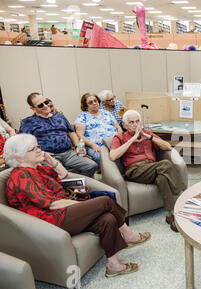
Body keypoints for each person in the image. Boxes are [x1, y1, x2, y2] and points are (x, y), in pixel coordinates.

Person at [4, 134, 151, 277]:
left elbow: (63, 175)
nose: (39, 150)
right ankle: (129, 234)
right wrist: (84, 205)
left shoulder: (38, 169)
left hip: (61, 213)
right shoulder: (21, 175)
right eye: (33, 149)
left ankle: (113, 265)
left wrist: (50, 160)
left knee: (107, 219)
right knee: (105, 201)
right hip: (49, 222)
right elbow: (52, 204)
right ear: (19, 157)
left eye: (38, 146)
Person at [110, 110, 186, 232]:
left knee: (161, 178)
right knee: (165, 164)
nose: (135, 124)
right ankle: (183, 196)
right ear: (124, 125)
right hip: (134, 171)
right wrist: (132, 139)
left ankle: (170, 215)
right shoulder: (119, 137)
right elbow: (113, 156)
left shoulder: (147, 133)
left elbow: (167, 146)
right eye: (131, 122)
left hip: (153, 167)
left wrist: (149, 137)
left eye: (137, 121)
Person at [20, 92, 98, 177]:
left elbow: (71, 132)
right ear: (32, 108)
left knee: (91, 165)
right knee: (60, 173)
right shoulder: (28, 122)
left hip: (69, 153)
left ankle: (78, 188)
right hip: (49, 157)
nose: (46, 106)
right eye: (40, 105)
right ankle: (65, 189)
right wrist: (40, 152)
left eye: (46, 102)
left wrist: (77, 146)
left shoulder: (59, 116)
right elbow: (23, 143)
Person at [74, 93, 123, 167]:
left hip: (113, 142)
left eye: (95, 101)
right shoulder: (82, 116)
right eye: (90, 102)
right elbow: (79, 135)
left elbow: (118, 127)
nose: (94, 103)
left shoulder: (106, 113)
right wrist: (92, 145)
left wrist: (120, 139)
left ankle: (122, 172)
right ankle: (112, 174)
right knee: (100, 157)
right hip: (96, 145)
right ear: (86, 106)